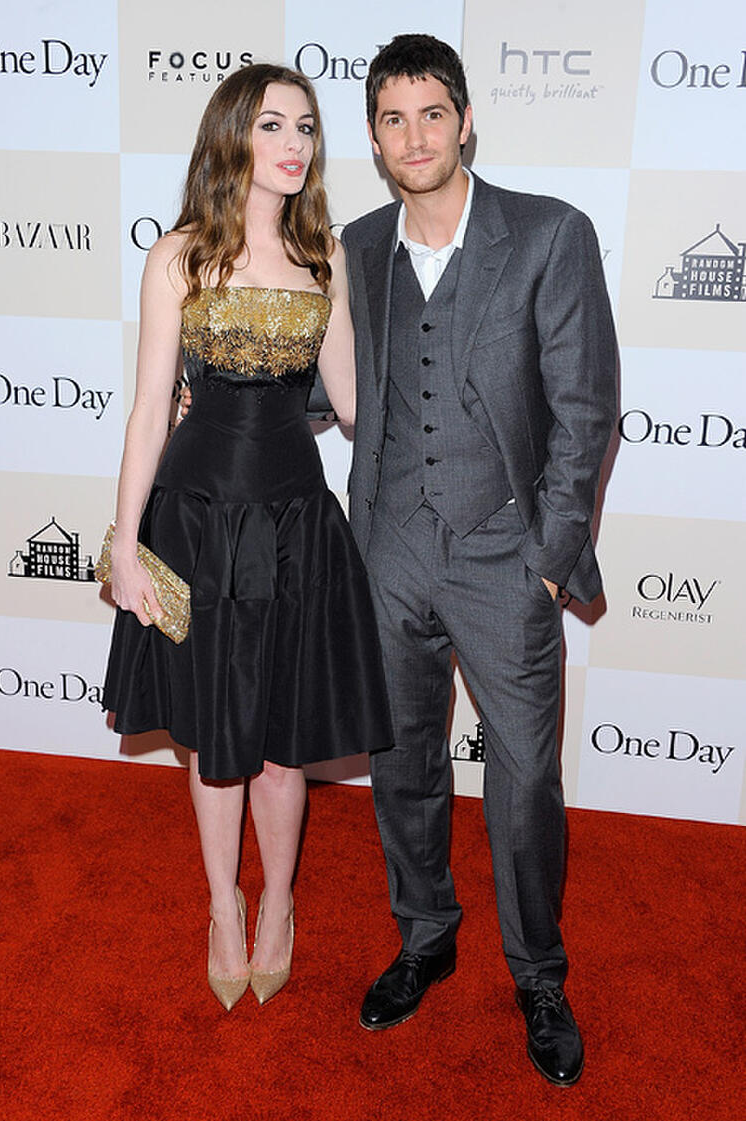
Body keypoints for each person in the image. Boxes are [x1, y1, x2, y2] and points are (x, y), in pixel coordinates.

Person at [341, 35, 617, 1085]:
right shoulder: (357, 246)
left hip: (506, 552)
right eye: (392, 118)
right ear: (374, 137)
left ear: (464, 121)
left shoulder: (547, 235)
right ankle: (424, 933)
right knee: (403, 761)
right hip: (387, 548)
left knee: (519, 783)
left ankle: (537, 968)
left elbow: (585, 406)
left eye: (430, 112)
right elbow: (335, 387)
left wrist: (549, 558)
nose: (414, 135)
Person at [101, 63, 392, 1013]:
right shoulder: (178, 255)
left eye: (306, 126)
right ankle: (224, 906)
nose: (295, 144)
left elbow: (353, 405)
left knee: (280, 743)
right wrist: (120, 540)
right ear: (233, 136)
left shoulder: (327, 257)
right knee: (212, 739)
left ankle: (279, 908)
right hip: (192, 524)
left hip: (298, 524)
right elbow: (150, 409)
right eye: (273, 126)